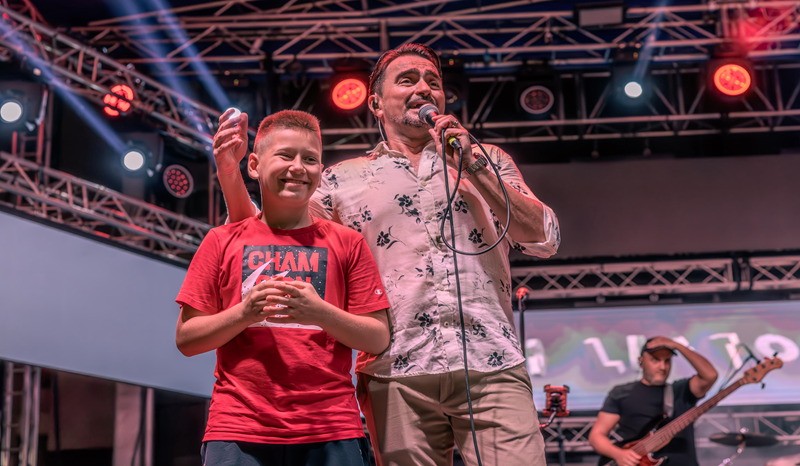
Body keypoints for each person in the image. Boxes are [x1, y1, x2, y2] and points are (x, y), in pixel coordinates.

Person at [213, 43, 560, 466]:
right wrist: (230, 174)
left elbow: (544, 237)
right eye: (408, 80)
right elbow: (268, 236)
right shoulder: (342, 179)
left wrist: (473, 166)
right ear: (376, 104)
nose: (423, 88)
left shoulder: (487, 159)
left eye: (433, 82)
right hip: (395, 370)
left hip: (492, 362)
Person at [175, 110, 391, 466]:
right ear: (254, 165)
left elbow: (378, 338)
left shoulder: (348, 243)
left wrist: (319, 312)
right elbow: (186, 339)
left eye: (310, 159)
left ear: (321, 170)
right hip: (238, 428)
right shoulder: (221, 240)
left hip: (332, 428)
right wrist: (244, 313)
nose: (298, 167)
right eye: (286, 155)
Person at [588, 336, 719, 466]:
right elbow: (596, 436)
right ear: (641, 361)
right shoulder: (621, 393)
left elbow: (710, 375)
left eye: (667, 361)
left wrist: (677, 345)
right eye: (655, 360)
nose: (662, 367)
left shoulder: (682, 390)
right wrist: (619, 454)